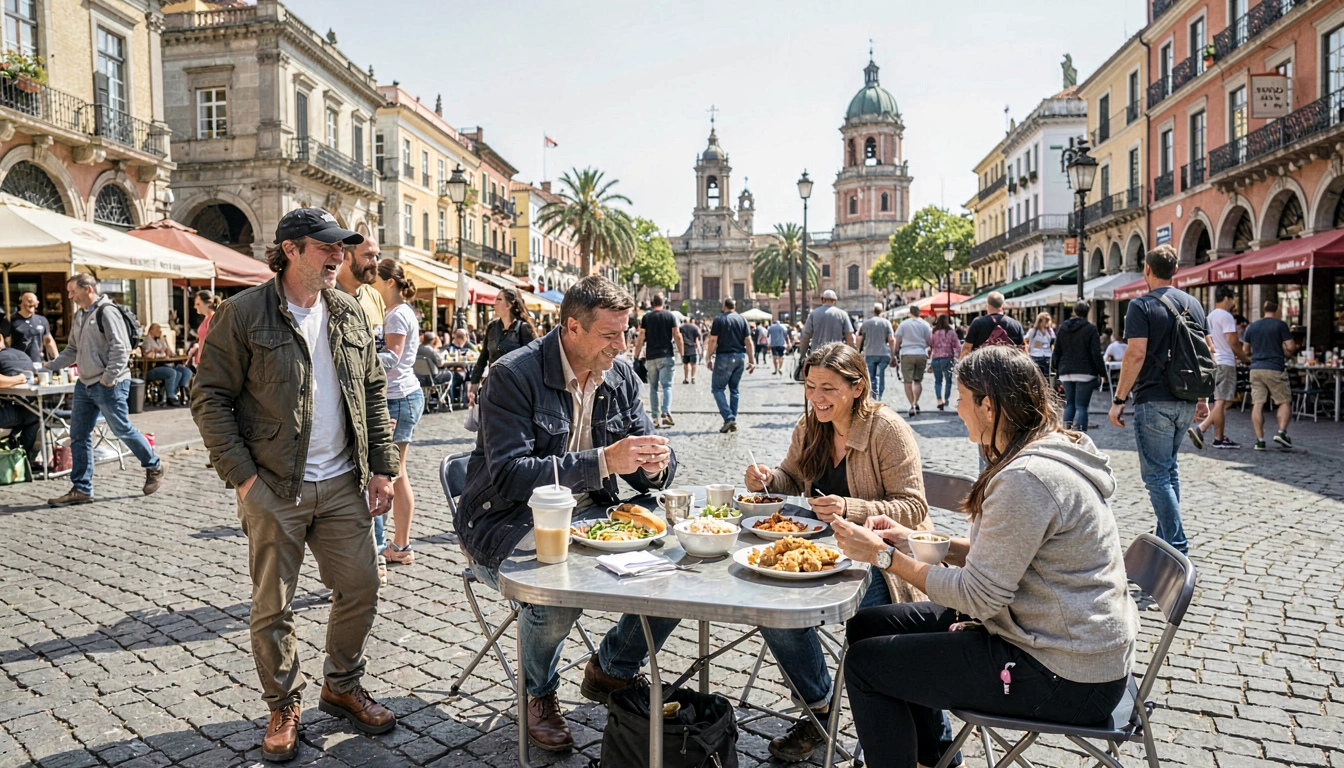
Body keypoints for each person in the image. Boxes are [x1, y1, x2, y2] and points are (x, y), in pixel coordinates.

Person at [833, 346, 1138, 768]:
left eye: (961, 398)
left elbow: (977, 596)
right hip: (1057, 640)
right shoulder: (1042, 451)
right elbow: (1000, 555)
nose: (957, 409)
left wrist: (884, 556)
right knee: (867, 625)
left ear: (988, 406)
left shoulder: (1026, 478)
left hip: (1067, 674)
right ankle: (932, 758)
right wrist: (910, 540)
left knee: (866, 666)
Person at [191, 208, 400, 760]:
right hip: (273, 486)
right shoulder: (243, 313)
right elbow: (209, 397)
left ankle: (342, 684)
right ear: (290, 250)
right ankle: (283, 704)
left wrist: (382, 468)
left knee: (362, 585)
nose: (338, 256)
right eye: (325, 247)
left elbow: (373, 391)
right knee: (274, 606)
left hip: (343, 481)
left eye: (341, 248)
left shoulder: (348, 310)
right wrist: (244, 480)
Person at [455, 276, 678, 753]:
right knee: (557, 592)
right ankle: (538, 694)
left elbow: (645, 459)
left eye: (625, 333)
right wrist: (603, 461)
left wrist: (655, 466)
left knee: (676, 568)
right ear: (572, 327)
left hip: (591, 516)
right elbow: (510, 476)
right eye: (610, 335)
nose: (623, 346)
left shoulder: (619, 376)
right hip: (506, 521)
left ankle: (612, 668)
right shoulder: (513, 374)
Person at [742, 342, 937, 763]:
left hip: (884, 561)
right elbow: (790, 476)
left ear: (857, 387)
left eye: (828, 388)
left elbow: (914, 506)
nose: (816, 397)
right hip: (819, 553)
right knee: (772, 607)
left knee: (864, 630)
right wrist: (767, 479)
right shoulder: (811, 425)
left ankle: (910, 740)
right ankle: (819, 709)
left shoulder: (886, 429)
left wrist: (853, 508)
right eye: (810, 386)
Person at [1108, 245, 1211, 555]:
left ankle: (1177, 546)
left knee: (1156, 476)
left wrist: (1119, 399)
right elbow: (1208, 353)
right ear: (1176, 270)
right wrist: (1203, 397)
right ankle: (1164, 545)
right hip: (1186, 398)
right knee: (1169, 471)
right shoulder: (1194, 304)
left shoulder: (1140, 306)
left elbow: (1135, 354)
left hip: (1154, 399)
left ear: (1147, 270)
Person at [44, 274, 165, 507]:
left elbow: (121, 348)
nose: (69, 296)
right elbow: (72, 349)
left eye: (72, 291)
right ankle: (82, 489)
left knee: (121, 429)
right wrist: (50, 366)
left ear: (88, 289)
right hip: (85, 384)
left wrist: (108, 379)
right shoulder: (80, 315)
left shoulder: (107, 312)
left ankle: (154, 465)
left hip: (109, 384)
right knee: (79, 434)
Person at [373, 259, 424, 571]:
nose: (371, 281)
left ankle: (397, 545)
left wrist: (359, 356)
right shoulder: (396, 312)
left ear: (389, 282)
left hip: (398, 397)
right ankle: (400, 545)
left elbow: (392, 357)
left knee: (393, 473)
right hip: (401, 395)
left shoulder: (397, 314)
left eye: (376, 277)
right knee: (398, 473)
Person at [1189, 286, 1250, 449]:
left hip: (1211, 361)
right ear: (1227, 298)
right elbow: (1232, 341)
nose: (1234, 303)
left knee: (1219, 402)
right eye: (1233, 299)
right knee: (1224, 401)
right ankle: (1201, 428)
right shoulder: (1226, 316)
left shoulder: (1209, 317)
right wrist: (1244, 358)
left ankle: (1219, 438)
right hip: (1224, 362)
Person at [468, 288, 538, 406]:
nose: (494, 303)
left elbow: (534, 362)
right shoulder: (492, 327)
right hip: (493, 387)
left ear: (508, 305)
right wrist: (474, 383)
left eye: (499, 299)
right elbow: (483, 357)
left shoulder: (523, 329)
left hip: (515, 390)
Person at [1243, 299, 1296, 451]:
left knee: (1258, 404)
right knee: (1284, 401)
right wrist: (1283, 351)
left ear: (1263, 309)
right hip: (1275, 368)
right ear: (1277, 309)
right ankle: (1281, 432)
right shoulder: (1280, 325)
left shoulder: (1252, 326)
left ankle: (1259, 440)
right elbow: (1291, 347)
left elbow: (1245, 350)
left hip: (1256, 369)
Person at [1052, 300, 1106, 431]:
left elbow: (1057, 351)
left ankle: (1066, 431)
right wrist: (1102, 373)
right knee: (1082, 406)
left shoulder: (1063, 328)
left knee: (1070, 403)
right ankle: (1081, 433)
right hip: (1085, 372)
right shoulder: (1090, 329)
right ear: (1087, 313)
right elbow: (1096, 353)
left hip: (1066, 371)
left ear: (1074, 311)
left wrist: (1056, 368)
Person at [632, 293, 683, 427]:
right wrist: (682, 353)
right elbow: (677, 334)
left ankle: (655, 418)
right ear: (664, 302)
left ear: (652, 302)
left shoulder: (647, 317)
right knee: (667, 386)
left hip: (651, 356)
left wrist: (636, 355)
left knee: (653, 387)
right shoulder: (670, 316)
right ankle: (665, 413)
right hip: (666, 355)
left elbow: (641, 336)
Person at [707, 297, 755, 433]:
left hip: (724, 356)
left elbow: (713, 340)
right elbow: (748, 341)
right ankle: (732, 419)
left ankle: (729, 417)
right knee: (734, 390)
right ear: (735, 306)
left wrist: (708, 356)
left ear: (724, 306)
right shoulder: (742, 320)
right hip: (740, 357)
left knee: (717, 389)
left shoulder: (719, 319)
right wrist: (752, 360)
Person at [0, 334, 40, 469]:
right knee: (35, 417)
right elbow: (35, 377)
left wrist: (18, 379)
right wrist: (21, 378)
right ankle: (22, 461)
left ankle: (16, 459)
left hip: (9, 412)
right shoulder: (22, 355)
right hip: (28, 410)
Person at [336, 229, 385, 338]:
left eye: (377, 256)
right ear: (346, 256)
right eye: (368, 255)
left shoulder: (374, 296)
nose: (375, 263)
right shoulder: (327, 296)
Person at [140, 323, 193, 406]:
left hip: (165, 365)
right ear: (151, 331)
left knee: (185, 372)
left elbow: (170, 352)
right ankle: (170, 396)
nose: (160, 331)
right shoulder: (147, 341)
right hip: (151, 368)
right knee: (172, 373)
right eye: (157, 330)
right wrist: (156, 351)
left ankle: (176, 392)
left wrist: (164, 340)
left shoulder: (159, 340)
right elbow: (147, 355)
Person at [895, 305, 933, 417]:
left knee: (908, 382)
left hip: (906, 353)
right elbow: (930, 341)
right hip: (921, 353)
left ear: (910, 312)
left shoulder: (903, 324)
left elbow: (898, 341)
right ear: (919, 312)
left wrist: (895, 353)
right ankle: (916, 403)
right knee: (917, 381)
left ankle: (912, 405)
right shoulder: (925, 325)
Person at [960, 292, 1025, 356]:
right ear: (1002, 304)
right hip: (1009, 361)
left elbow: (967, 349)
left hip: (982, 361)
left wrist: (960, 361)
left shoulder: (977, 323)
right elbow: (1022, 349)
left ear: (987, 304)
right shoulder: (1016, 324)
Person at [857, 303, 896, 402]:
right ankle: (879, 396)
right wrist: (893, 354)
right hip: (883, 353)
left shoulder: (866, 323)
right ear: (882, 311)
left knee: (871, 377)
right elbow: (891, 339)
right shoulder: (886, 323)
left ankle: (874, 397)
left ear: (873, 311)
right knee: (880, 375)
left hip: (870, 352)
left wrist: (859, 351)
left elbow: (860, 338)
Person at [798, 289, 855, 356]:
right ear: (834, 301)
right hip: (836, 356)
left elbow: (806, 336)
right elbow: (849, 336)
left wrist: (802, 354)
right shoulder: (843, 314)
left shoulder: (813, 314)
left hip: (817, 355)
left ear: (823, 300)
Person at [8, 292, 58, 363]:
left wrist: (57, 360)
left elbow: (49, 342)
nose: (32, 303)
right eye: (29, 300)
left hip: (38, 362)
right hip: (18, 363)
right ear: (20, 303)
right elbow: (4, 342)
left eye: (35, 301)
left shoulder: (42, 320)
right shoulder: (10, 320)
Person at [929, 314, 959, 411]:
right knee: (948, 381)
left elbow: (930, 344)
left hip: (935, 358)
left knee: (938, 381)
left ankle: (939, 401)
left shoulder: (934, 332)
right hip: (947, 358)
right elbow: (957, 346)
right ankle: (946, 399)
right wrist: (957, 357)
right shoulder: (951, 332)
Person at [187, 290, 220, 369]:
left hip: (210, 362)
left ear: (208, 303)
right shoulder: (207, 318)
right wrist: (197, 346)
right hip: (203, 361)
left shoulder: (213, 319)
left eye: (198, 304)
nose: (195, 306)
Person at [1025, 312, 1055, 379]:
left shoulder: (1050, 331)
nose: (1047, 323)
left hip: (1047, 356)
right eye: (1045, 321)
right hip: (1035, 356)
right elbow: (1025, 339)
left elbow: (1053, 341)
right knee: (1036, 377)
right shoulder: (1033, 331)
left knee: (1047, 377)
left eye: (1048, 321)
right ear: (1040, 322)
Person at [679, 316, 702, 383]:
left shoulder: (681, 328)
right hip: (692, 347)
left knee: (685, 363)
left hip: (685, 347)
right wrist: (697, 346)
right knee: (693, 363)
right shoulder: (694, 327)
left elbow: (679, 337)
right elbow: (697, 338)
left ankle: (686, 378)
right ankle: (693, 377)